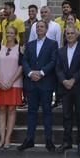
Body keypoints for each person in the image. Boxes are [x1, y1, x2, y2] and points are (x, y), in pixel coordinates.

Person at [19, 20, 58, 151]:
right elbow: (24, 61)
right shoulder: (29, 45)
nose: (39, 29)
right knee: (31, 112)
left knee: (47, 112)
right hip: (31, 83)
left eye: (42, 27)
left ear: (46, 29)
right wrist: (30, 73)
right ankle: (29, 139)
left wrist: (41, 73)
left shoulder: (53, 44)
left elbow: (53, 61)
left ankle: (48, 140)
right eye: (37, 27)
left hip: (45, 83)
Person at [55, 24, 80, 155]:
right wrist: (64, 81)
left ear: (77, 35)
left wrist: (73, 80)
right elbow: (58, 69)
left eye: (72, 33)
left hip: (78, 87)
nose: (69, 36)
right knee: (66, 116)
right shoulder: (61, 51)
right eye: (67, 34)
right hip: (65, 88)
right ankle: (66, 142)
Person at [0, 25, 24, 148]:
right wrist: (0, 81)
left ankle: (8, 139)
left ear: (15, 35)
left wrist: (11, 81)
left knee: (11, 109)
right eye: (7, 33)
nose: (9, 35)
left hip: (14, 83)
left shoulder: (19, 49)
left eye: (11, 33)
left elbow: (21, 66)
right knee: (1, 110)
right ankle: (1, 138)